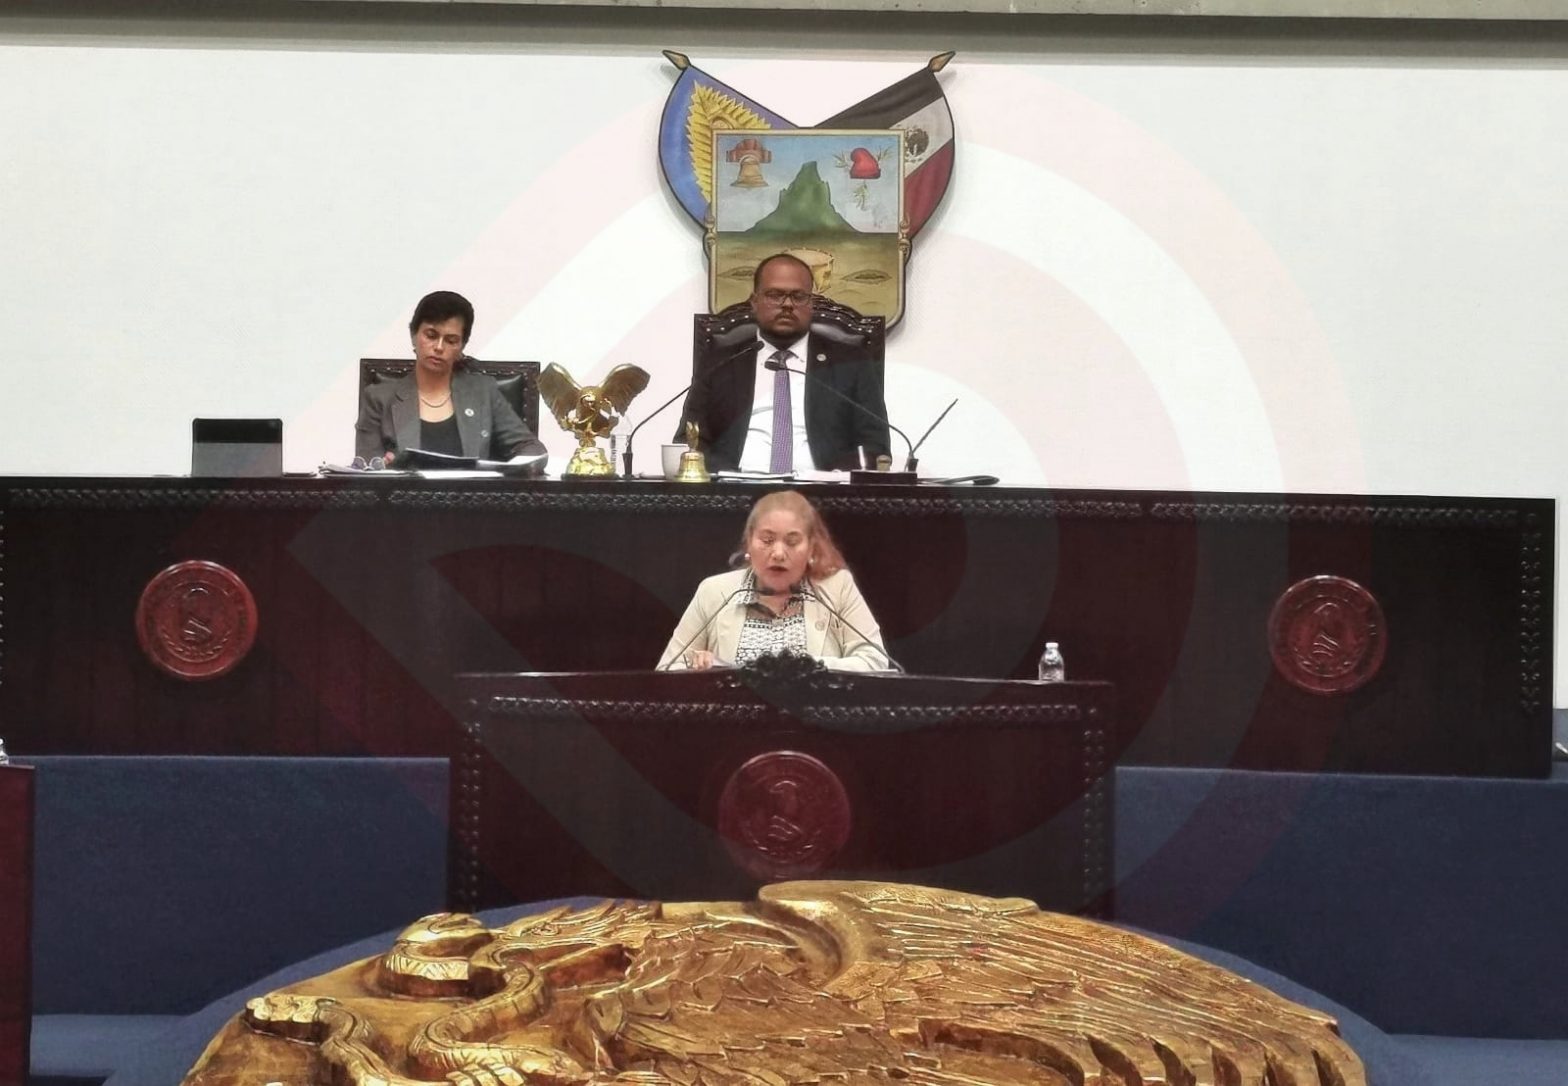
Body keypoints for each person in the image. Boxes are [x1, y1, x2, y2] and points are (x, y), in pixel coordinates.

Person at [677, 253, 890, 473]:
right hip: (736, 487)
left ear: (811, 303)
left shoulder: (851, 363)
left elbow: (875, 444)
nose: (787, 304)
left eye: (798, 296)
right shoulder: (720, 362)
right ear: (754, 301)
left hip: (824, 489)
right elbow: (690, 439)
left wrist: (834, 481)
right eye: (775, 295)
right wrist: (725, 477)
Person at [658, 489, 892, 671]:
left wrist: (810, 668)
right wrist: (700, 671)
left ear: (811, 548)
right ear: (749, 542)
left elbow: (875, 661)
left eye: (792, 542)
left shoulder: (837, 587)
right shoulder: (715, 591)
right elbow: (668, 670)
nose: (778, 553)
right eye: (767, 540)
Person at [355, 290, 547, 468]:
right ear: (414, 336)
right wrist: (386, 470)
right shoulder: (378, 398)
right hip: (402, 494)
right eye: (431, 336)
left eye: (451, 340)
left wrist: (504, 474)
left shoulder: (483, 393)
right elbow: (364, 472)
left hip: (472, 494)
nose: (439, 347)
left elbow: (532, 449)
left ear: (462, 346)